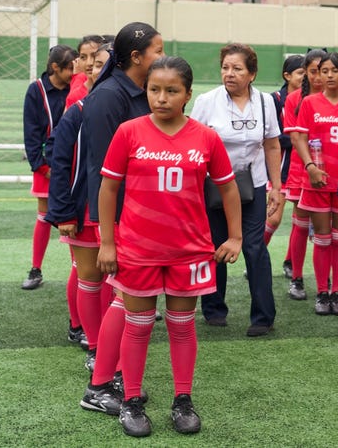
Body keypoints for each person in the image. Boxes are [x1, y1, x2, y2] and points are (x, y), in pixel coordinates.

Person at [98, 56, 242, 437]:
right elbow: (109, 188)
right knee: (138, 325)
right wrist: (108, 243)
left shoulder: (206, 137)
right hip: (136, 250)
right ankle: (130, 401)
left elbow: (228, 187)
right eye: (154, 89)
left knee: (181, 327)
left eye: (171, 91)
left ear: (188, 95)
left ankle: (182, 400)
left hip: (190, 251)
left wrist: (235, 236)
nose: (161, 98)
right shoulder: (129, 132)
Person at [78, 22, 164, 417]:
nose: (162, 57)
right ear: (136, 57)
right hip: (120, 218)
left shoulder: (143, 93)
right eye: (157, 50)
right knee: (123, 300)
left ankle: (111, 378)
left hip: (142, 217)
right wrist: (107, 231)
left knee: (125, 302)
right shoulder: (108, 97)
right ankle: (99, 385)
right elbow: (102, 170)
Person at [190, 43, 282, 336]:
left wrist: (276, 187)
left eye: (237, 68)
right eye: (225, 67)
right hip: (214, 186)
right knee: (215, 246)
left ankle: (263, 316)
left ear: (252, 74)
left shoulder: (266, 102)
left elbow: (271, 144)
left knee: (255, 248)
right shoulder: (207, 101)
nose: (229, 74)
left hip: (252, 186)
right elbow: (193, 144)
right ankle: (214, 309)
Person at [46, 40, 115, 373]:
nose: (97, 69)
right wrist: (63, 212)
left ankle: (111, 345)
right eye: (94, 64)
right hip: (85, 210)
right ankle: (95, 344)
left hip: (122, 213)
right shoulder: (79, 109)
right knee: (90, 277)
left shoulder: (136, 111)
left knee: (115, 284)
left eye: (104, 63)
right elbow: (59, 161)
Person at [291, 52, 338, 315]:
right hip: (317, 182)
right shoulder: (309, 103)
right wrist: (310, 167)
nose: (328, 76)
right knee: (322, 238)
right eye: (324, 71)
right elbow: (299, 137)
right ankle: (322, 292)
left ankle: (337, 292)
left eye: (334, 70)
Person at [21, 44, 76, 291]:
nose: (75, 71)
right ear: (56, 67)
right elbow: (31, 131)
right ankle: (36, 269)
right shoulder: (37, 90)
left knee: (74, 218)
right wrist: (42, 167)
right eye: (70, 67)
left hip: (73, 163)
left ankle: (80, 270)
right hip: (47, 165)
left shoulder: (77, 87)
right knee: (44, 215)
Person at [283, 49, 328, 300]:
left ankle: (325, 280)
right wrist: (310, 166)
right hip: (303, 170)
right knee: (300, 225)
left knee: (326, 231)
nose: (320, 77)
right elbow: (295, 137)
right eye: (313, 71)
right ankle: (297, 277)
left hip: (329, 173)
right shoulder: (295, 100)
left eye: (324, 70)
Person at [265, 54, 305, 261]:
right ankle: (257, 256)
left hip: (302, 169)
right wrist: (299, 139)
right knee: (273, 218)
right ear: (287, 76)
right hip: (280, 168)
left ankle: (291, 262)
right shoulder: (275, 99)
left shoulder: (309, 100)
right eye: (300, 73)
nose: (305, 77)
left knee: (300, 223)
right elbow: (274, 137)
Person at [66, 35, 105, 109]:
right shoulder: (74, 97)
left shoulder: (115, 89)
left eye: (94, 56)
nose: (89, 63)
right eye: (83, 57)